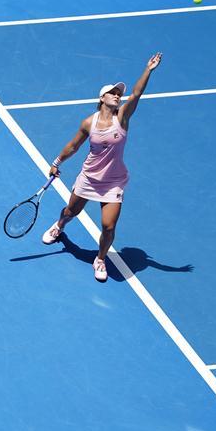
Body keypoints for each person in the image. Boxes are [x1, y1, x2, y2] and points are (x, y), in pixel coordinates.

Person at [41, 52, 163, 282]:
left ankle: (100, 259)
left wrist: (148, 69)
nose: (118, 96)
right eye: (113, 93)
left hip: (114, 181)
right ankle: (59, 226)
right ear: (102, 98)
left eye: (119, 93)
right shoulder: (89, 122)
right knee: (70, 212)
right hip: (89, 177)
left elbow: (137, 93)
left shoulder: (123, 118)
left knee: (108, 226)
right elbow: (73, 146)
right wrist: (56, 163)